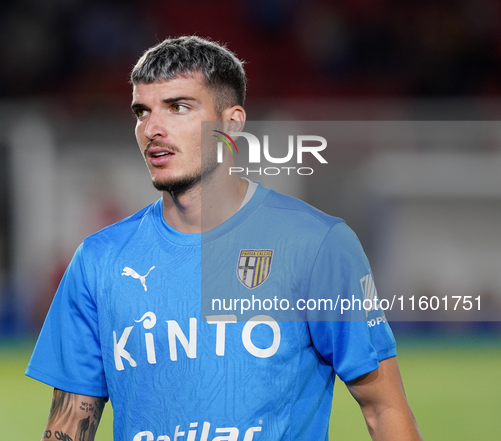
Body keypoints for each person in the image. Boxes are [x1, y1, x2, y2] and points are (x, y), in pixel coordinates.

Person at [27, 36, 422, 441]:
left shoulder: (317, 245)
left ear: (231, 123)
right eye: (142, 112)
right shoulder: (99, 260)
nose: (152, 129)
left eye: (178, 107)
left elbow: (383, 407)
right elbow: (67, 428)